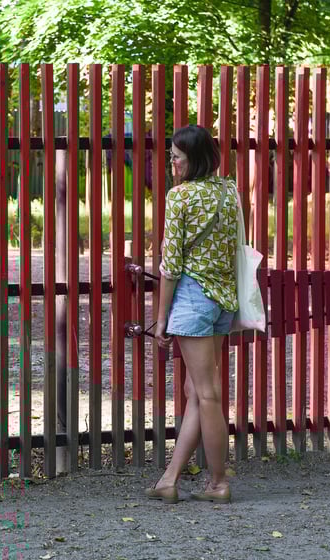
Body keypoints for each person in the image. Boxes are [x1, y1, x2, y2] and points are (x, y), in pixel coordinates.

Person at [145, 125, 240, 504]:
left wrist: (161, 318)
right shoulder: (229, 191)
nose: (173, 164)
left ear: (194, 160)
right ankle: (169, 479)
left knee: (207, 394)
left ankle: (218, 483)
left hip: (192, 298)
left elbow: (170, 265)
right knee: (196, 393)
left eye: (177, 158)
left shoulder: (180, 197)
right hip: (222, 300)